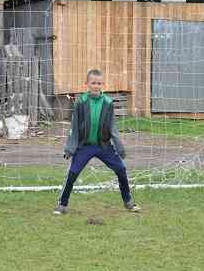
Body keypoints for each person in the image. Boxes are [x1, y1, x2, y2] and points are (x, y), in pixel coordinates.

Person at [54, 69, 140, 215]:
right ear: (86, 84)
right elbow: (74, 127)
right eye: (93, 83)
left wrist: (119, 147)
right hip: (85, 146)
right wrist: (70, 147)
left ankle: (128, 201)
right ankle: (62, 204)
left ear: (103, 85)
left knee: (121, 170)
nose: (96, 86)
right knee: (73, 173)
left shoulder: (108, 102)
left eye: (99, 83)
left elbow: (113, 127)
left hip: (104, 146)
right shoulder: (81, 102)